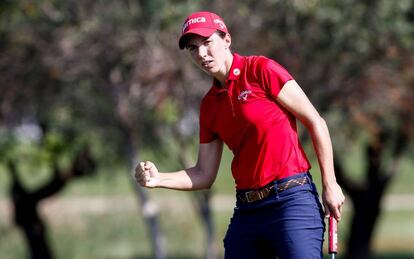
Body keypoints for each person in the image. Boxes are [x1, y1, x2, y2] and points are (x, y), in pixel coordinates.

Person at [134, 11, 345, 259]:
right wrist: (158, 179)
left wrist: (330, 184)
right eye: (192, 48)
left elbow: (315, 121)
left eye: (207, 43)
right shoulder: (210, 105)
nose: (201, 54)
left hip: (291, 201)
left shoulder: (261, 70)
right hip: (248, 210)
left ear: (227, 40)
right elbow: (203, 174)